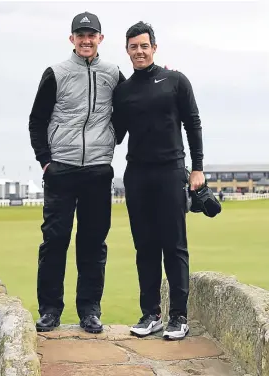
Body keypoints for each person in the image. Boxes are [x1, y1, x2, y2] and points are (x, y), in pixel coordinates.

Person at [29, 11, 125, 333]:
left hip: (98, 171)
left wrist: (113, 138)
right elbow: (37, 120)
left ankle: (89, 310)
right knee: (54, 242)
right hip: (62, 171)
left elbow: (129, 108)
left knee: (93, 243)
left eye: (91, 35)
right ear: (72, 39)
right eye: (80, 35)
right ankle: (50, 310)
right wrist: (46, 160)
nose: (86, 40)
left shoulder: (113, 73)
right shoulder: (55, 73)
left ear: (100, 38)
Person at [112, 22, 205, 340]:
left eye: (144, 46)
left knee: (174, 245)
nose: (139, 51)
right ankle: (150, 314)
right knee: (145, 247)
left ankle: (178, 316)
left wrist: (197, 168)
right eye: (133, 47)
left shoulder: (175, 81)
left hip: (170, 171)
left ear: (154, 47)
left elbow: (193, 123)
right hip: (137, 175)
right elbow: (116, 133)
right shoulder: (123, 91)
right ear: (127, 50)